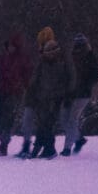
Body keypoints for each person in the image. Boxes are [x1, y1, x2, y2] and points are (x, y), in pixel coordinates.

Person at [25, 29, 72, 158]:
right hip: (43, 97)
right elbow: (35, 80)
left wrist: (66, 95)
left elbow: (68, 80)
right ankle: (44, 148)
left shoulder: (61, 63)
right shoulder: (44, 63)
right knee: (43, 123)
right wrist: (32, 93)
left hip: (55, 97)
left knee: (47, 124)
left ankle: (45, 148)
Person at [0, 33, 30, 158]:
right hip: (2, 90)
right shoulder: (3, 58)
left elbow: (26, 76)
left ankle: (3, 144)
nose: (10, 48)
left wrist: (23, 86)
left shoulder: (21, 59)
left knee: (7, 118)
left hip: (13, 92)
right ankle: (3, 140)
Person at [61, 34, 98, 156]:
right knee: (64, 119)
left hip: (82, 94)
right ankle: (78, 138)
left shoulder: (89, 59)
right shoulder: (73, 58)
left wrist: (84, 86)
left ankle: (67, 148)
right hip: (71, 93)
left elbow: (94, 77)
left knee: (71, 119)